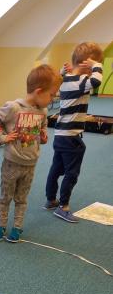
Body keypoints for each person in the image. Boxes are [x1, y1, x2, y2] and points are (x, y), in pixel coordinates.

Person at [0, 64, 61, 242]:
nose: (52, 99)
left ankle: (17, 227)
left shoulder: (43, 111)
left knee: (21, 198)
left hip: (30, 164)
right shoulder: (14, 107)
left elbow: (42, 129)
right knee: (6, 197)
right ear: (39, 91)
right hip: (12, 163)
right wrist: (1, 137)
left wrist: (43, 136)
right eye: (51, 95)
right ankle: (1, 225)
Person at [44, 42, 103, 222]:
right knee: (72, 172)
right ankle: (63, 207)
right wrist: (97, 65)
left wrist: (63, 71)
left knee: (56, 168)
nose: (93, 70)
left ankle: (50, 199)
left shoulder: (65, 80)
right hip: (71, 137)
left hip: (60, 135)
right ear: (86, 64)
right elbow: (97, 81)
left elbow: (58, 78)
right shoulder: (82, 81)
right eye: (91, 66)